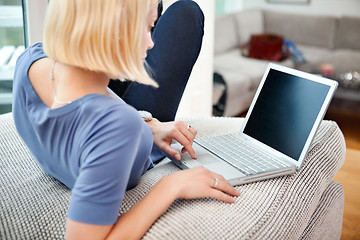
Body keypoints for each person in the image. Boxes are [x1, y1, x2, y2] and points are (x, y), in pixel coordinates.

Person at [12, 0, 240, 239]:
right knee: (187, 13)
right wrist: (171, 185)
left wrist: (149, 126)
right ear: (115, 30)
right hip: (121, 133)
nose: (151, 42)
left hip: (120, 121)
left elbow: (89, 103)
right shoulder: (120, 128)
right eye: (148, 27)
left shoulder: (30, 58)